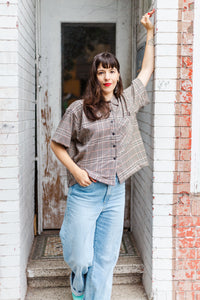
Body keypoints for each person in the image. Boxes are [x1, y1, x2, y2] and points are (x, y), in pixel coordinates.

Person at [51, 9, 155, 300]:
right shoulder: (78, 109)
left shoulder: (127, 101)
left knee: (106, 260)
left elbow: (146, 71)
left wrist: (149, 32)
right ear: (95, 77)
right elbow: (57, 144)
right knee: (80, 256)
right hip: (85, 192)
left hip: (115, 191)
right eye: (101, 71)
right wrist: (76, 171)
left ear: (118, 74)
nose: (107, 76)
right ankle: (78, 281)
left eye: (112, 70)